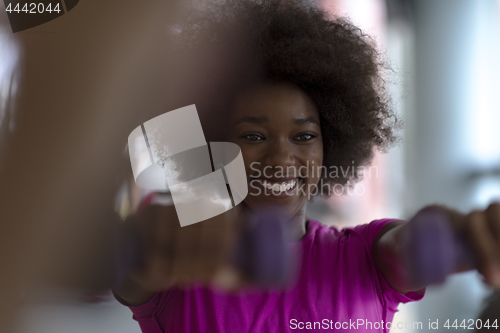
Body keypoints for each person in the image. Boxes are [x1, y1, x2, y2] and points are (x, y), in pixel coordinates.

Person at [112, 1, 500, 332]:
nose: (282, 160)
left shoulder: (365, 256)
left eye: (303, 137)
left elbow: (407, 248)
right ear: (217, 146)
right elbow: (124, 264)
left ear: (330, 146)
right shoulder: (181, 259)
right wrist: (150, 241)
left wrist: (457, 238)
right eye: (253, 137)